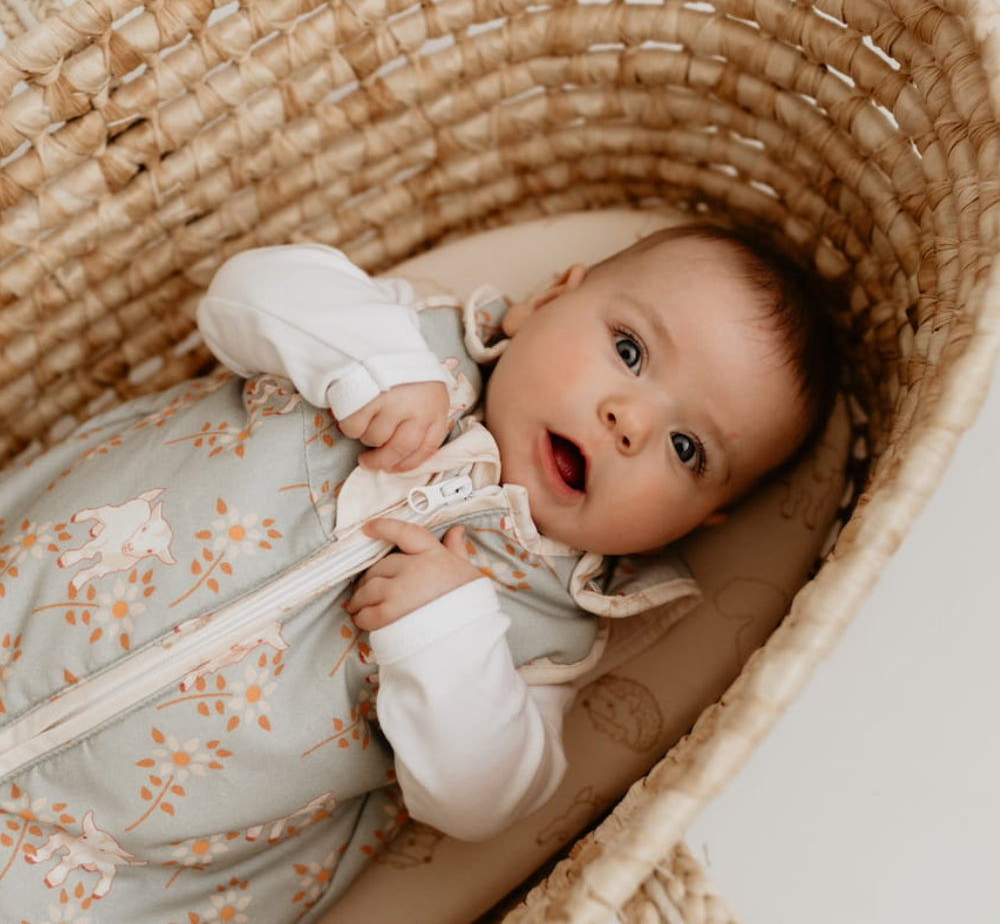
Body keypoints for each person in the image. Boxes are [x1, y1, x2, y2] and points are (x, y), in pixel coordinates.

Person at [0, 221, 837, 922]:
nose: (630, 421)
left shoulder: (544, 632)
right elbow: (241, 294)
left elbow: (485, 800)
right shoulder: (405, 335)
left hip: (102, 869)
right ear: (547, 300)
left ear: (698, 521)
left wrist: (445, 634)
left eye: (687, 449)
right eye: (629, 350)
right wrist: (372, 366)